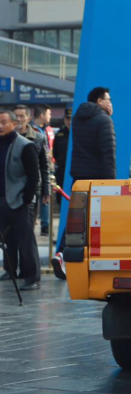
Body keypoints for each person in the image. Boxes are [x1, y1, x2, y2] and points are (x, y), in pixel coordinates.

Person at [0, 108, 42, 290]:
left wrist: (27, 198)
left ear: (14, 124)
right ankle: (10, 270)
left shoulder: (25, 145)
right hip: (2, 199)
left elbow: (34, 175)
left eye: (3, 122)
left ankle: (32, 278)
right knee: (7, 240)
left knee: (26, 241)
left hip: (19, 201)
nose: (0, 126)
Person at [14, 105, 50, 235]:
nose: (18, 119)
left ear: (28, 118)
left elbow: (44, 166)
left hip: (31, 189)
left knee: (27, 230)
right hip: (10, 189)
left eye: (21, 116)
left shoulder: (39, 138)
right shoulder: (6, 138)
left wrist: (46, 190)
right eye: (16, 116)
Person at [71, 87, 116, 182]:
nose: (110, 103)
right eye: (109, 99)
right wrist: (111, 180)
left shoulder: (76, 118)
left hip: (78, 177)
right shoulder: (104, 120)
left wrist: (106, 115)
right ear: (99, 101)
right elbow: (108, 152)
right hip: (97, 178)